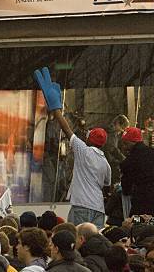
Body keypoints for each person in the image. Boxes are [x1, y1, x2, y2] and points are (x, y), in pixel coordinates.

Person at [34, 67, 111, 229]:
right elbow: (106, 185)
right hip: (99, 209)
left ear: (90, 140)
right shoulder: (105, 163)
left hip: (81, 206)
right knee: (94, 242)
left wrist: (56, 108)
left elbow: (66, 129)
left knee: (76, 240)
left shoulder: (83, 150)